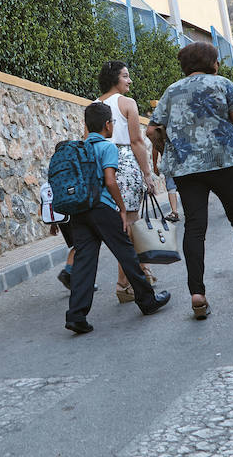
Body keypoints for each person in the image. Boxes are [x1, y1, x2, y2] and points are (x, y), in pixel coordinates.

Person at [147, 42, 233, 321]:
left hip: (186, 168)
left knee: (195, 226)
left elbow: (152, 130)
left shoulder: (171, 91)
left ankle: (197, 294)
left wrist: (169, 147)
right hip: (222, 163)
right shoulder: (223, 84)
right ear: (213, 63)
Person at [64, 103, 171, 334]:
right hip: (102, 208)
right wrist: (122, 209)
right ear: (107, 125)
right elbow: (110, 181)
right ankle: (147, 301)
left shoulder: (81, 148)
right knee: (126, 252)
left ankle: (76, 315)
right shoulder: (107, 147)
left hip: (79, 211)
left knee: (84, 261)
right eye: (112, 122)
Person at [95, 61, 159, 304]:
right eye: (125, 76)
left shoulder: (94, 106)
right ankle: (125, 283)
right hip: (124, 163)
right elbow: (137, 142)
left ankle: (141, 271)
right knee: (130, 222)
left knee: (122, 224)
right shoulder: (127, 103)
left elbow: (87, 140)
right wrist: (147, 173)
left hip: (103, 166)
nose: (129, 81)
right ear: (115, 79)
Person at [151, 144, 180, 221]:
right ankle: (176, 211)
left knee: (171, 186)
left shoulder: (161, 133)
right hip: (181, 160)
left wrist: (154, 166)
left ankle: (174, 212)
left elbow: (155, 147)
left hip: (169, 161)